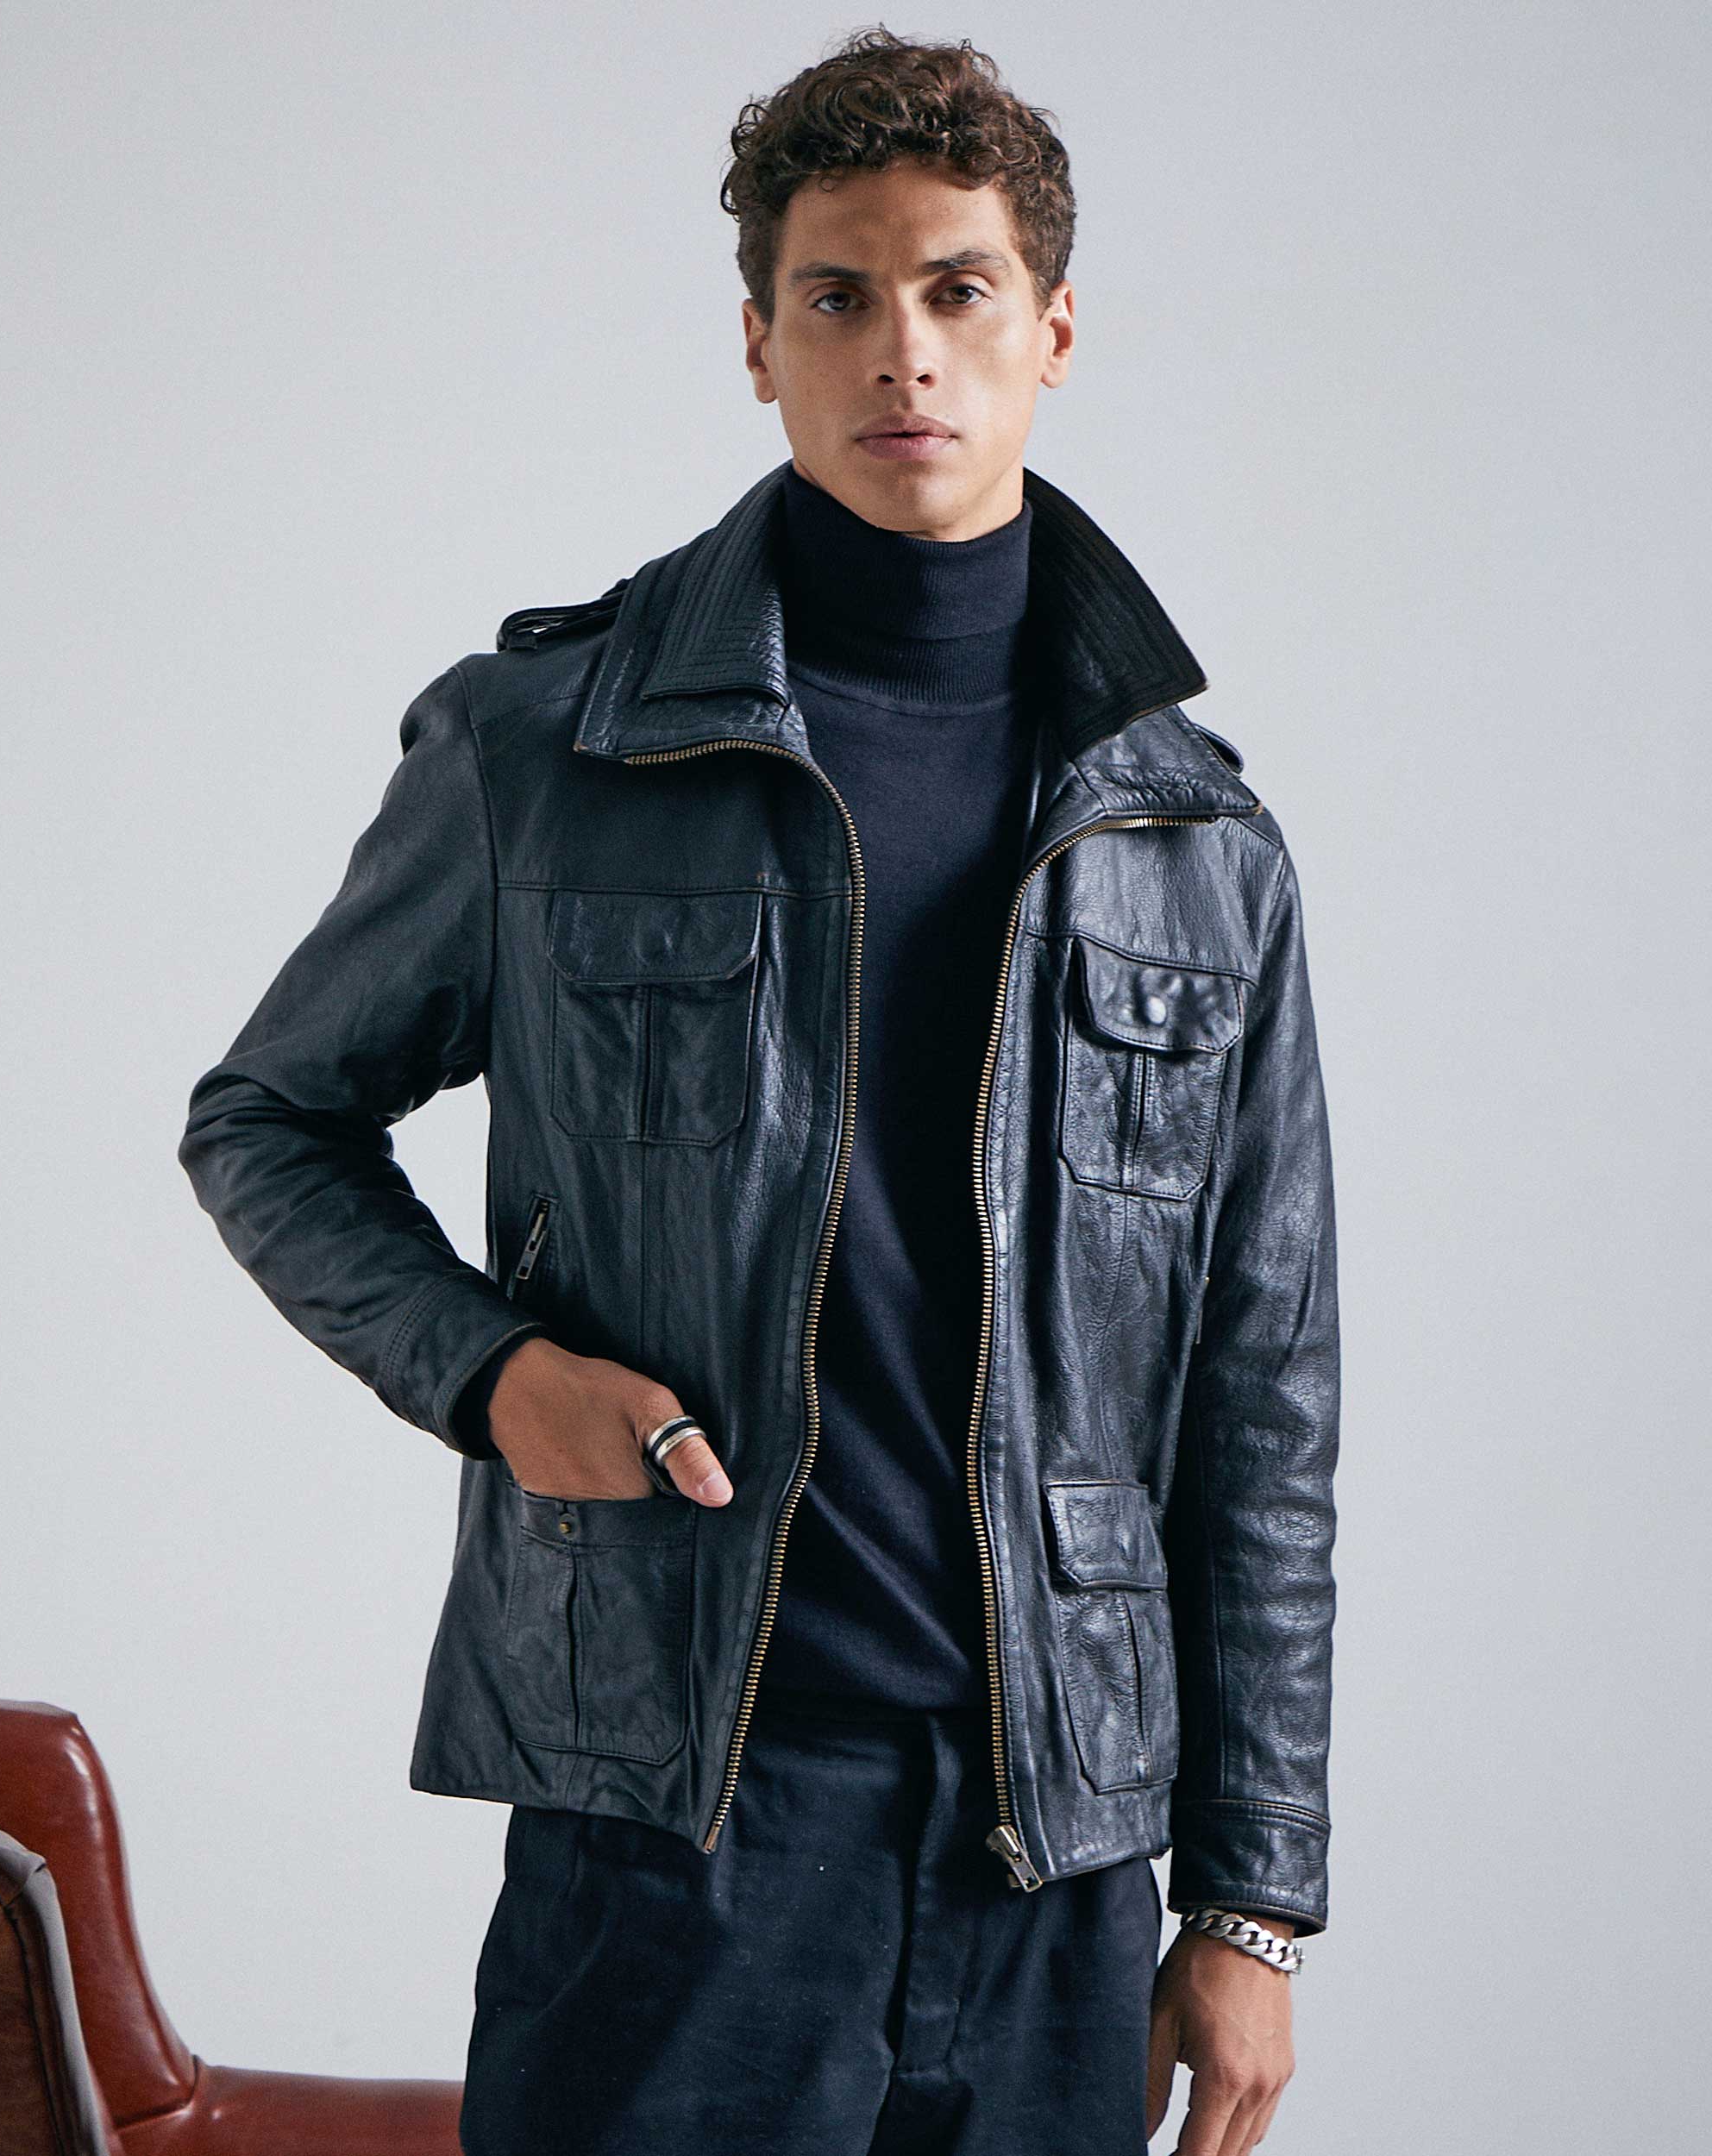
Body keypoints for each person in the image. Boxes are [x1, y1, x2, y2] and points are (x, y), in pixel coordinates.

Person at [178, 27, 1339, 2156]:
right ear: (757, 343)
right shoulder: (547, 749)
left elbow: (1263, 1390)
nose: (904, 349)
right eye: (837, 294)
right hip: (679, 1825)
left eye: (958, 288)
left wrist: (1251, 1895)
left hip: (1057, 1850)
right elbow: (268, 1115)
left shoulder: (1193, 838)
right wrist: (490, 1372)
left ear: (1052, 328)